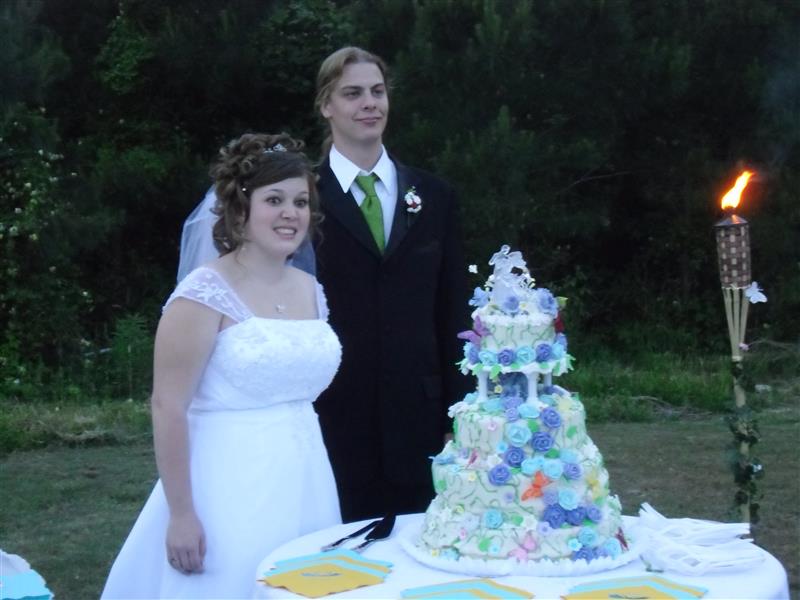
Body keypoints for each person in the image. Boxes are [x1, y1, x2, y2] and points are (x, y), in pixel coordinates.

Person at [101, 133, 341, 599]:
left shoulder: (310, 289)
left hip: (306, 476)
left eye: (300, 202)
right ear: (240, 208)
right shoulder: (204, 292)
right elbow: (168, 406)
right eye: (274, 200)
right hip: (226, 483)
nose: (291, 213)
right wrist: (181, 514)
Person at [313, 47, 471, 522]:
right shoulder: (302, 199)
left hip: (420, 418)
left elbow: (454, 311)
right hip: (332, 416)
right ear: (326, 106)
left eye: (377, 92)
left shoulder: (435, 196)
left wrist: (459, 412)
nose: (369, 103)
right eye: (353, 93)